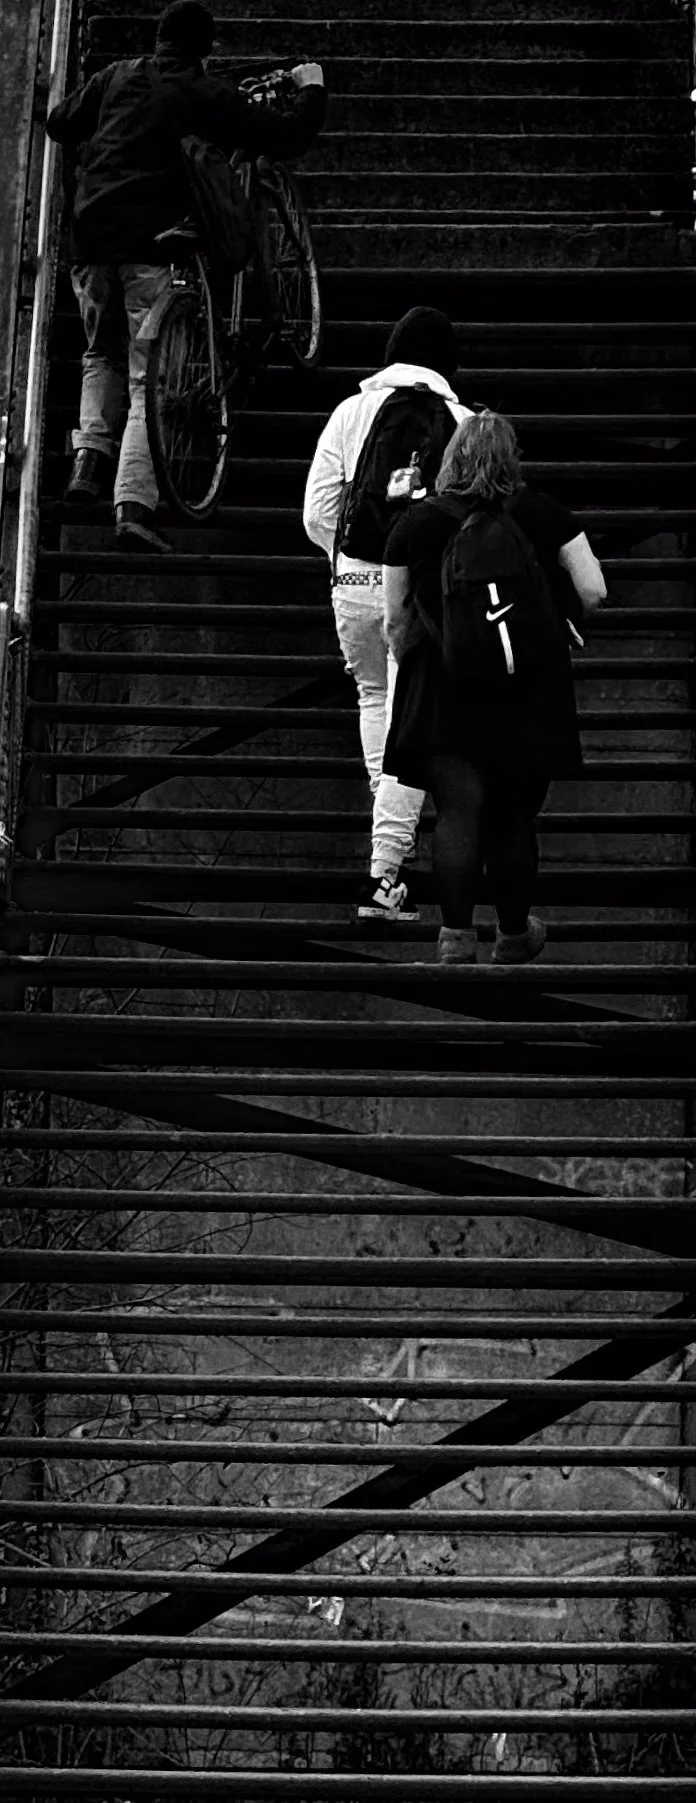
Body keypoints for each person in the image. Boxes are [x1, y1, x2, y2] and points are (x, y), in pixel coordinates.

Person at [47, 0, 326, 550]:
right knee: (147, 375)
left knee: (100, 352)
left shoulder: (117, 75)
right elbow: (285, 136)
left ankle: (87, 464)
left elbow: (59, 121)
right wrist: (312, 89)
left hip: (90, 240)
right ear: (206, 49)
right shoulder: (206, 94)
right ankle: (133, 504)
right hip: (149, 246)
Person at [381, 410, 607, 963]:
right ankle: (512, 935)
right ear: (513, 459)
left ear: (451, 459)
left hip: (444, 687)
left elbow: (394, 620)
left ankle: (455, 939)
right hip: (529, 689)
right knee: (512, 816)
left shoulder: (416, 523)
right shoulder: (545, 514)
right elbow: (594, 589)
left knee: (457, 813)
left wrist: (419, 659)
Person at [303, 306, 472, 920]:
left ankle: (387, 841)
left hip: (353, 581)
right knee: (411, 720)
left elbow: (316, 511)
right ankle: (384, 874)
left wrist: (350, 555)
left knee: (375, 699)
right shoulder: (463, 423)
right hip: (422, 592)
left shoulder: (351, 412)